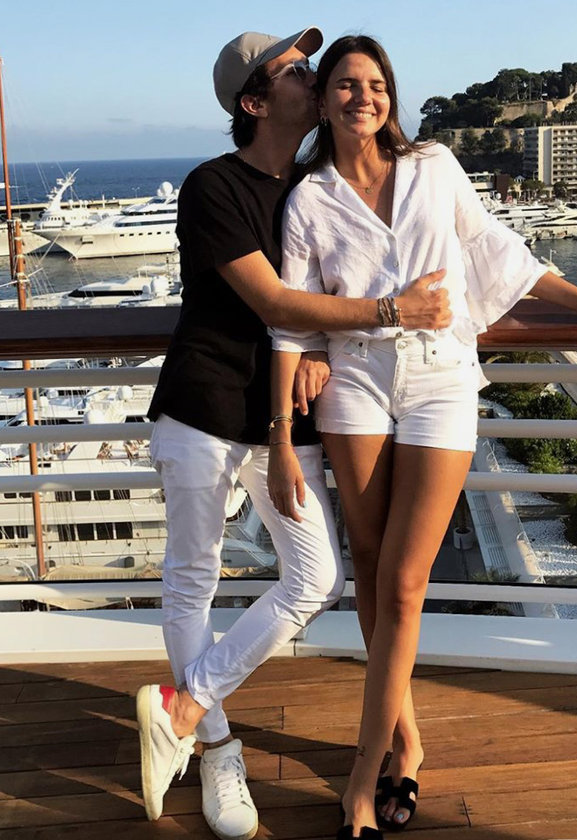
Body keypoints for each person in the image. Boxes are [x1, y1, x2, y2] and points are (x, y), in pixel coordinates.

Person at [266, 34, 577, 840]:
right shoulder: (309, 198)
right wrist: (283, 432)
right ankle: (406, 741)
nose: (363, 97)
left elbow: (500, 255)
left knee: (403, 582)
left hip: (439, 381)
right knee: (367, 566)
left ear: (391, 96)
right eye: (345, 84)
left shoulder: (433, 166)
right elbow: (291, 319)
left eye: (375, 84)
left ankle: (363, 776)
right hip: (354, 383)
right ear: (322, 100)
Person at [136, 27, 453, 839]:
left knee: (318, 577)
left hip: (286, 419)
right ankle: (215, 747)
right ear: (253, 101)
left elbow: (325, 294)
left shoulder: (314, 184)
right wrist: (391, 312)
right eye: (295, 70)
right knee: (192, 580)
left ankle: (182, 705)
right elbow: (277, 302)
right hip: (204, 408)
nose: (313, 77)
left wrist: (319, 347)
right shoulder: (212, 186)